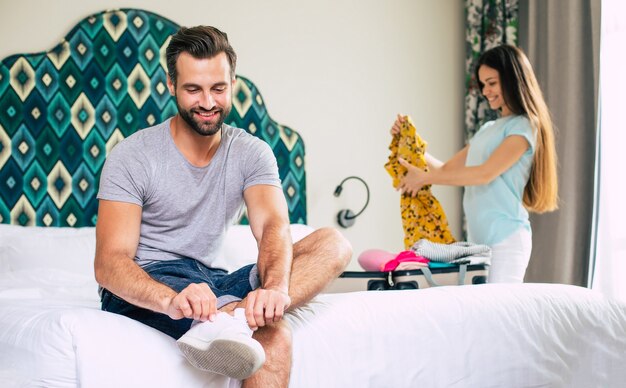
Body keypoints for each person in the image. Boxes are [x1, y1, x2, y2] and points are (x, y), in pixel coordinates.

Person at [94, 25, 352, 387]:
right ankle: (233, 316)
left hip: (212, 281)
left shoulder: (251, 152)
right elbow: (110, 264)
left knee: (333, 243)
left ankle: (234, 316)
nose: (208, 102)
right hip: (152, 281)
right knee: (273, 336)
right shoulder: (132, 156)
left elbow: (272, 227)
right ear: (171, 86)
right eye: (193, 89)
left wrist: (276, 289)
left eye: (218, 88)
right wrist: (170, 300)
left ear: (233, 83)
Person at [390, 44, 558, 283]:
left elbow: (484, 174)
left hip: (506, 239)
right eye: (482, 85)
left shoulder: (523, 126)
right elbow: (446, 170)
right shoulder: (488, 129)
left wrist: (425, 178)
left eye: (492, 83)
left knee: (499, 316)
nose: (485, 91)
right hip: (478, 244)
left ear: (512, 79)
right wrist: (408, 140)